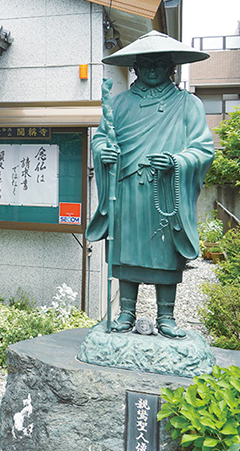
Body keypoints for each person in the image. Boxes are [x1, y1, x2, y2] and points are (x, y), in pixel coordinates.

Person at [87, 31, 214, 338]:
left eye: (160, 63)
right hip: (127, 190)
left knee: (164, 251)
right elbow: (102, 138)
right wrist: (104, 151)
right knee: (126, 248)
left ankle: (166, 316)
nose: (153, 69)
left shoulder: (188, 104)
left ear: (171, 67)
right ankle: (126, 312)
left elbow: (203, 148)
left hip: (166, 191)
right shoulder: (118, 104)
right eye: (146, 63)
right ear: (135, 68)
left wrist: (177, 162)